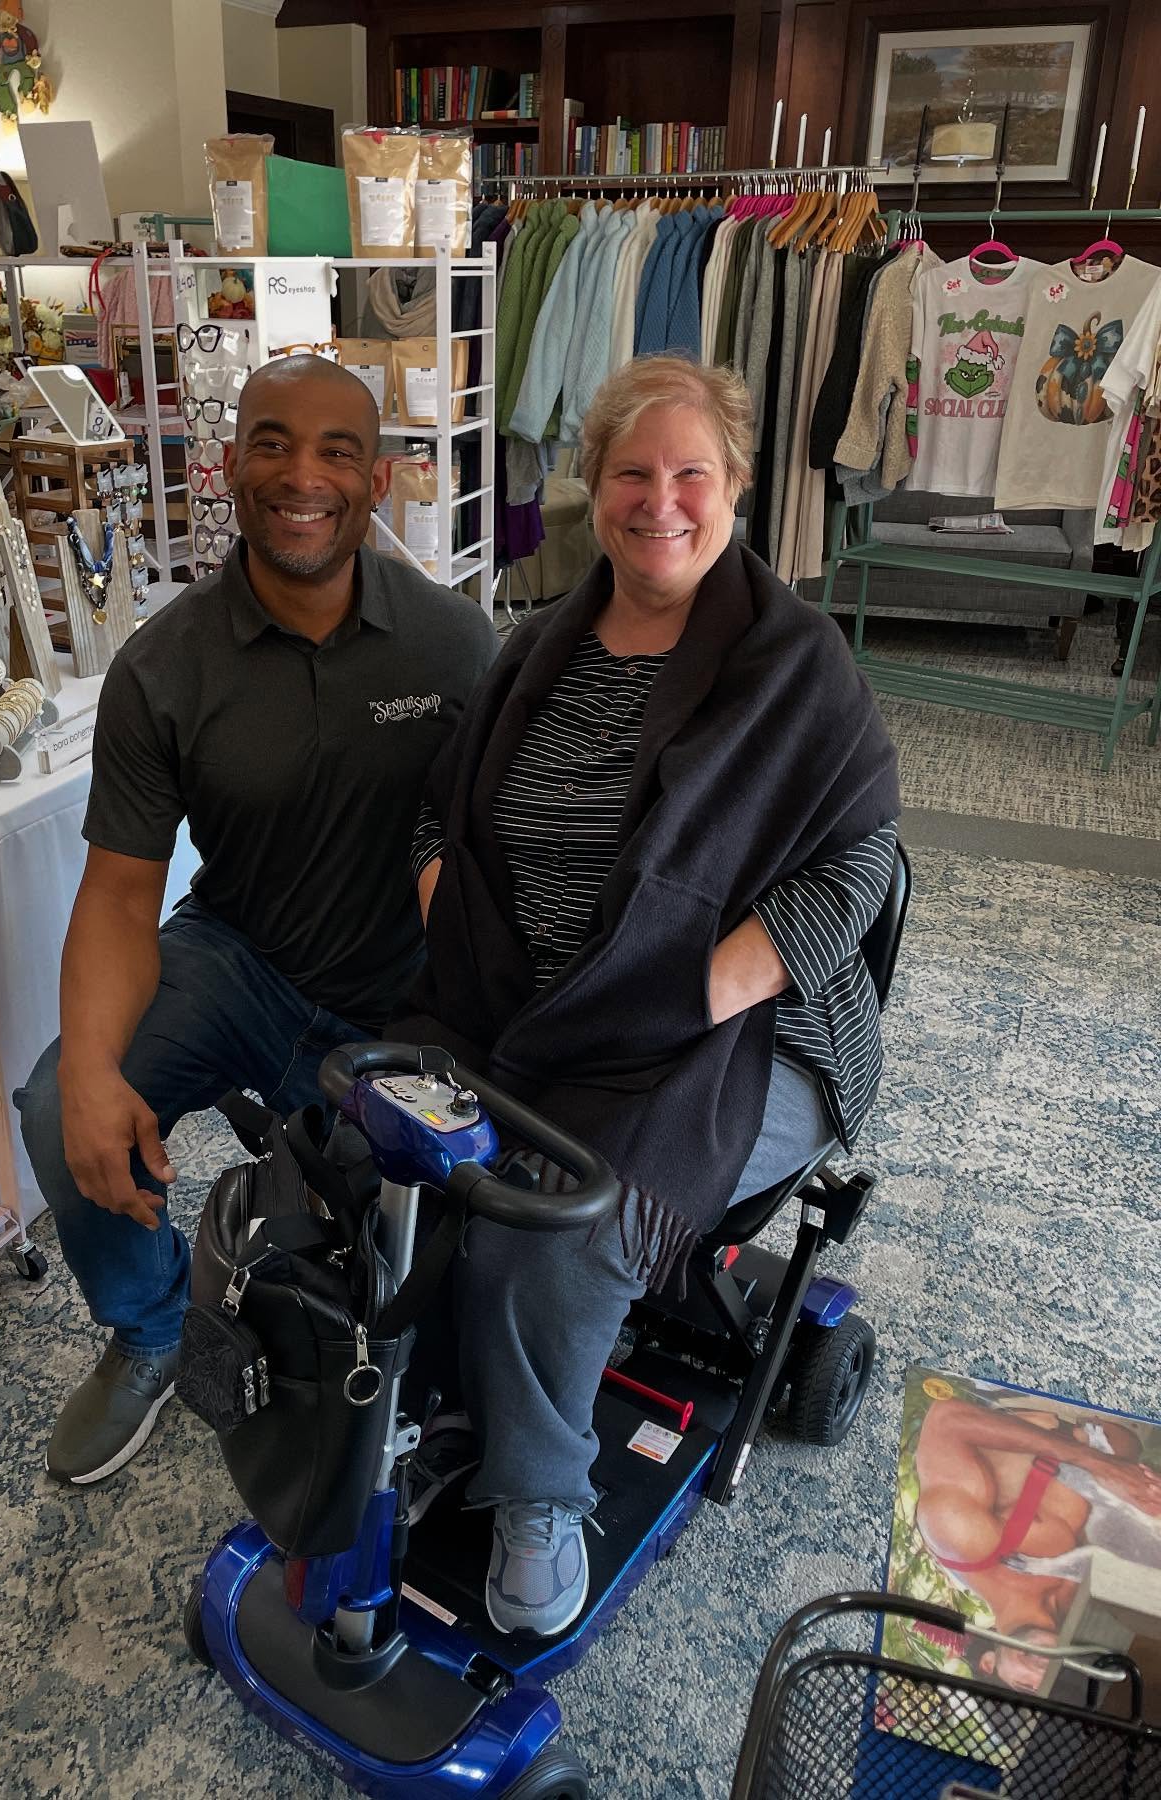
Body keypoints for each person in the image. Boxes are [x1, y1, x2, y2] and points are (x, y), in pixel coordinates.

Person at [391, 355, 901, 1637]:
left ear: (733, 488)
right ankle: (447, 1406)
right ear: (596, 486)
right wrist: (442, 891)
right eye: (633, 471)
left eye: (691, 474)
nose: (659, 501)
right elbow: (433, 807)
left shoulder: (796, 663)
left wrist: (725, 974)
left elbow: (865, 854)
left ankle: (539, 1494)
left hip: (751, 1031)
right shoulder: (535, 651)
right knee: (389, 1141)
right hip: (545, 1008)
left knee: (557, 1224)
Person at [18, 355, 496, 1486]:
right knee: (54, 1106)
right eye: (273, 442)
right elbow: (122, 893)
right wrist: (91, 1071)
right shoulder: (162, 667)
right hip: (236, 963)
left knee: (428, 1284)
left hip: (401, 996)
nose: (303, 475)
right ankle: (150, 1327)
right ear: (227, 466)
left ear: (378, 480)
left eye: (337, 451)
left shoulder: (454, 645)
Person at [915, 1395, 1161, 1691]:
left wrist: (1100, 1463)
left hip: (1054, 1393)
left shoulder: (965, 1544)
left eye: (1025, 1685)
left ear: (989, 1663)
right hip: (1136, 1421)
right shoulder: (1086, 1609)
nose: (1042, 1672)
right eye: (1049, 1683)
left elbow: (945, 1420)